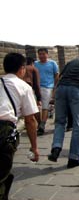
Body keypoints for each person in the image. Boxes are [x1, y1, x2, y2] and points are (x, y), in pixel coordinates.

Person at [0, 53, 39, 199]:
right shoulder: (24, 87)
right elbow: (30, 120)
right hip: (4, 132)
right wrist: (34, 148)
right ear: (22, 69)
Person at [34, 48, 59, 135]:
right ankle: (40, 123)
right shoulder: (35, 64)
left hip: (48, 87)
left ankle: (42, 124)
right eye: (40, 54)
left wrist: (55, 87)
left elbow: (56, 75)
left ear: (47, 54)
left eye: (43, 54)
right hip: (36, 87)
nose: (41, 56)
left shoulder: (52, 63)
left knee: (45, 107)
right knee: (35, 107)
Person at [23, 57, 42, 123]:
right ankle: (39, 124)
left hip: (20, 91)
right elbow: (37, 84)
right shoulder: (33, 69)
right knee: (34, 108)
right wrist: (39, 98)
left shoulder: (21, 69)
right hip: (29, 90)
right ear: (32, 63)